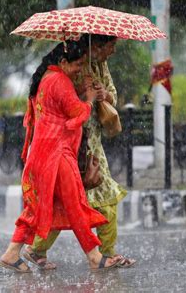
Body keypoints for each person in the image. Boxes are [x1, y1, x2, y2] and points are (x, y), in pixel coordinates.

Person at [0, 40, 121, 273]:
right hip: (57, 153)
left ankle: (12, 252)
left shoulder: (45, 79)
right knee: (75, 204)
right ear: (63, 62)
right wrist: (88, 98)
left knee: (39, 207)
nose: (79, 70)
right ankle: (95, 256)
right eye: (77, 65)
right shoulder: (60, 82)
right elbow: (78, 116)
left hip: (42, 154)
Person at [25, 34, 136, 270]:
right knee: (82, 199)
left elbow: (112, 95)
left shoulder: (100, 65)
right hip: (75, 143)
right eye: (110, 46)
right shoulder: (71, 67)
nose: (113, 51)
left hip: (92, 140)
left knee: (70, 201)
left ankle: (36, 248)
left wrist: (104, 95)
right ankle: (103, 254)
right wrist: (86, 96)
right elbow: (67, 106)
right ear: (96, 46)